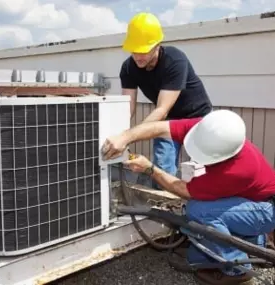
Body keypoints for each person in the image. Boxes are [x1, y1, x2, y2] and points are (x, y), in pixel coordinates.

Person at [101, 109, 275, 285]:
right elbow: (160, 127)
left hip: (266, 209)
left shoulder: (238, 170)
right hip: (251, 201)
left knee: (199, 211)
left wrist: (150, 169)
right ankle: (256, 242)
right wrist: (125, 137)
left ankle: (237, 270)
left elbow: (185, 191)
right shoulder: (209, 130)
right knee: (195, 253)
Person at [119, 12, 213, 188]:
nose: (138, 56)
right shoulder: (128, 68)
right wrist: (119, 134)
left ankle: (201, 210)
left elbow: (162, 109)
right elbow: (128, 107)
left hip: (198, 118)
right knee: (162, 169)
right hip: (169, 120)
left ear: (157, 45)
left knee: (204, 170)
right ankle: (163, 210)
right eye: (134, 50)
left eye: (144, 50)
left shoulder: (175, 60)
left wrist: (128, 136)